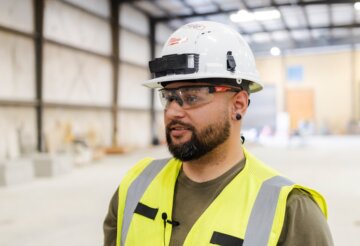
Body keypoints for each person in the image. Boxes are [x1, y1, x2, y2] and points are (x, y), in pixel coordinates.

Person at [103, 21, 333, 246]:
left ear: (239, 104)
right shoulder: (136, 185)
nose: (173, 111)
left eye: (191, 97)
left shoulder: (291, 212)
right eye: (169, 97)